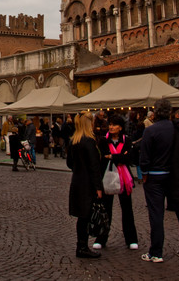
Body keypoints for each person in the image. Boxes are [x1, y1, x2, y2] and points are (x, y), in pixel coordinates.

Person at [140, 100, 179, 263]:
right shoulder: (177, 129)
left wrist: (144, 173)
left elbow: (145, 156)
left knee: (156, 214)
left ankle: (156, 252)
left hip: (155, 175)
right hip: (174, 176)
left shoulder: (151, 131)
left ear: (156, 113)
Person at [94, 114, 138, 251]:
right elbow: (102, 157)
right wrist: (119, 156)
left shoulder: (126, 140)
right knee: (105, 210)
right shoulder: (103, 140)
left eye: (114, 125)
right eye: (110, 125)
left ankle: (131, 239)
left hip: (124, 179)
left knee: (127, 209)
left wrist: (112, 156)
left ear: (120, 127)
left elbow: (129, 158)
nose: (111, 127)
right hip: (107, 177)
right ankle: (101, 238)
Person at [66, 110, 103, 259]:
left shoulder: (73, 140)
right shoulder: (89, 141)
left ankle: (81, 245)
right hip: (88, 184)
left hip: (77, 182)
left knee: (82, 217)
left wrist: (78, 168)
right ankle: (82, 247)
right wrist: (98, 187)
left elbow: (69, 163)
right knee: (86, 216)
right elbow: (95, 167)